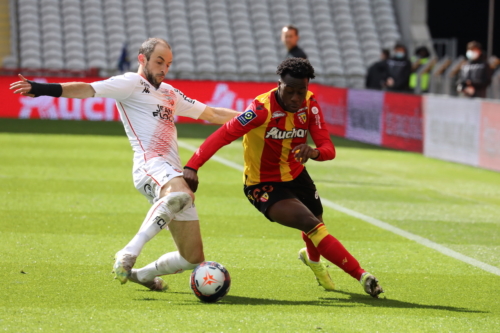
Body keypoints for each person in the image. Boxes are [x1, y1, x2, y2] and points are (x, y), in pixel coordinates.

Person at [10, 37, 239, 292]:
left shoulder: (170, 93)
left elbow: (213, 114)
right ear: (143, 59)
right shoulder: (131, 83)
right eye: (159, 62)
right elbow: (87, 89)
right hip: (150, 165)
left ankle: (140, 275)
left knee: (191, 258)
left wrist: (252, 119)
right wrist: (41, 88)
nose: (164, 69)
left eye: (169, 64)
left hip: (170, 171)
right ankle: (129, 252)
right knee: (183, 194)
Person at [183, 58, 384, 298]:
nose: (296, 98)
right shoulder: (260, 110)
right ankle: (362, 276)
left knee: (317, 223)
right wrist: (192, 166)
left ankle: (313, 262)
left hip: (297, 174)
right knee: (311, 223)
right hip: (263, 183)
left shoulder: (310, 105)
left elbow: (328, 148)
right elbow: (224, 134)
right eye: (290, 91)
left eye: (301, 91)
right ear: (279, 85)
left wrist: (315, 152)